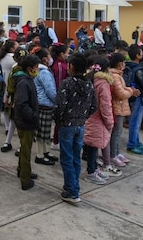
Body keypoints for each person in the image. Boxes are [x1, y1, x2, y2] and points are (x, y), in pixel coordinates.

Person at [53, 53, 96, 204]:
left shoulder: (67, 83)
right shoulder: (89, 84)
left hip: (67, 125)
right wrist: (83, 118)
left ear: (71, 66)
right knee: (76, 157)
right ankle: (73, 185)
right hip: (80, 125)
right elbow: (93, 106)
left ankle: (72, 191)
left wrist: (58, 120)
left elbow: (60, 105)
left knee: (66, 158)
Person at [12, 54, 42, 191]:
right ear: (30, 69)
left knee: (25, 147)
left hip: (25, 120)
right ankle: (25, 179)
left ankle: (23, 170)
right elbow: (22, 104)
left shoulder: (27, 80)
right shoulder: (24, 82)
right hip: (26, 121)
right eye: (36, 67)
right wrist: (33, 116)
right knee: (26, 150)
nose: (37, 70)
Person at [84, 56, 115, 183]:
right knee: (93, 147)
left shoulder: (90, 79)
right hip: (98, 119)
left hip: (89, 117)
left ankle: (93, 169)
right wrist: (110, 122)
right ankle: (91, 172)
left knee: (92, 147)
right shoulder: (103, 84)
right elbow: (105, 105)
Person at [107, 53, 134, 170]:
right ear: (119, 64)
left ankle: (116, 152)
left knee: (118, 133)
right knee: (115, 133)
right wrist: (131, 91)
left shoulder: (118, 75)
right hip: (117, 107)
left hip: (120, 107)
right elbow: (121, 93)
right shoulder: (115, 76)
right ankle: (113, 154)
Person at [124, 45, 143, 155]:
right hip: (138, 97)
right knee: (135, 122)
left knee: (134, 121)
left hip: (129, 96)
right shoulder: (139, 69)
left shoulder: (126, 66)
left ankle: (136, 141)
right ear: (137, 55)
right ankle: (132, 144)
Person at [32, 49, 58, 165]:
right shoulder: (44, 72)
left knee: (43, 132)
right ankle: (39, 155)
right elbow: (50, 90)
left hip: (41, 104)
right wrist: (57, 100)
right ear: (44, 59)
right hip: (44, 104)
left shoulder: (39, 70)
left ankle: (45, 151)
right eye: (49, 56)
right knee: (42, 133)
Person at [0, 41, 19, 152]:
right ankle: (9, 129)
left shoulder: (1, 57)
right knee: (12, 111)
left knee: (5, 109)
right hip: (11, 87)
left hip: (3, 85)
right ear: (12, 48)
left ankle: (7, 128)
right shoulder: (12, 59)